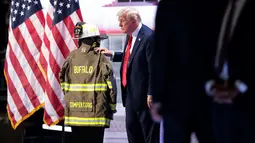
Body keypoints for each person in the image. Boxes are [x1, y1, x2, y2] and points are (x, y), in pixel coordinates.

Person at [150, 1, 227, 143]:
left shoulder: (170, 5)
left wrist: (158, 97)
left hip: (176, 94)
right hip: (213, 89)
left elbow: (160, 52)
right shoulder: (219, 5)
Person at [96, 7, 159, 143]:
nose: (119, 25)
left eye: (122, 21)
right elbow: (131, 58)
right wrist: (112, 54)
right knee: (132, 131)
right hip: (130, 95)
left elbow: (154, 68)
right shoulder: (130, 35)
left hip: (145, 97)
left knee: (148, 133)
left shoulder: (149, 37)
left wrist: (151, 92)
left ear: (133, 21)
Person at [206, 0, 255, 142]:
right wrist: (210, 85)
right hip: (216, 99)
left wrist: (240, 87)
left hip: (249, 99)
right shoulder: (212, 8)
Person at [59, 22, 117, 143]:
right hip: (96, 115)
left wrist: (70, 98)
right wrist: (111, 108)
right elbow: (111, 86)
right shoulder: (101, 58)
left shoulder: (71, 57)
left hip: (74, 113)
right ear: (93, 40)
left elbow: (63, 81)